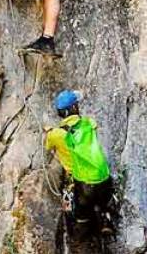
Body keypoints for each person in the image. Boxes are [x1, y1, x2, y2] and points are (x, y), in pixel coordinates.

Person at [45, 90, 115, 241]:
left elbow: (47, 146)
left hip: (82, 182)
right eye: (76, 104)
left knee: (80, 211)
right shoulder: (89, 123)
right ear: (74, 108)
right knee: (104, 199)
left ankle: (81, 233)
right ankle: (105, 218)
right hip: (103, 176)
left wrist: (49, 131)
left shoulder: (55, 134)